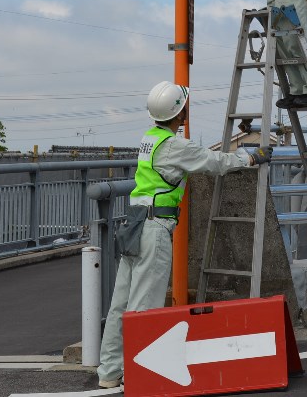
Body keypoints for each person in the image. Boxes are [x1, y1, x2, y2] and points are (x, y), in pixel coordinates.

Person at [97, 81, 274, 388]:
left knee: (121, 303)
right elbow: (215, 162)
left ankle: (109, 372)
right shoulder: (174, 145)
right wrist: (251, 158)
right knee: (144, 307)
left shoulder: (149, 139)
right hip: (154, 228)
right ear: (180, 112)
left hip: (134, 224)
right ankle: (140, 377)